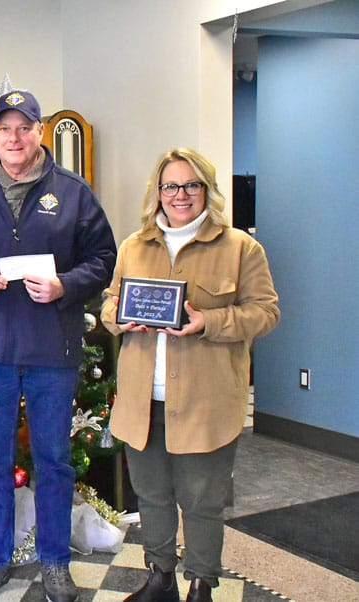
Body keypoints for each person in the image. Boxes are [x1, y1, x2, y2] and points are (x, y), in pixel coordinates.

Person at [0, 90, 116, 602]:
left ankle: (56, 561)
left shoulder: (74, 192)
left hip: (51, 349)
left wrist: (66, 285)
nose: (13, 138)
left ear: (40, 131)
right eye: (4, 129)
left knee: (55, 459)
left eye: (24, 128)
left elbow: (102, 258)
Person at [100, 148, 279, 602]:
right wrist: (119, 318)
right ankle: (160, 578)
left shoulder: (240, 247)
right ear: (157, 193)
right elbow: (109, 302)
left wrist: (209, 323)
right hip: (143, 401)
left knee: (201, 501)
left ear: (207, 190)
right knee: (153, 496)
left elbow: (265, 313)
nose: (180, 195)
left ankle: (201, 584)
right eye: (170, 186)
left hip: (206, 402)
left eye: (191, 185)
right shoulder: (133, 246)